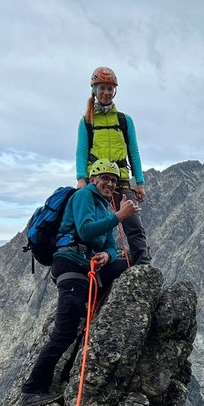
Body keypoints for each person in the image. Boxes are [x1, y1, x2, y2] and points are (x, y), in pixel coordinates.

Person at [19, 159, 139, 406]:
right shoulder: (83, 196)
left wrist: (107, 255)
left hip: (87, 265)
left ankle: (98, 306)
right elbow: (84, 231)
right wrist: (119, 216)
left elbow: (107, 243)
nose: (110, 183)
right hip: (70, 265)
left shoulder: (104, 208)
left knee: (132, 265)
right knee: (64, 332)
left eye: (114, 180)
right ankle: (31, 390)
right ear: (94, 178)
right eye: (105, 178)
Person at [77, 66, 151, 265]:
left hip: (121, 180)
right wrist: (81, 179)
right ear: (94, 90)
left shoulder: (124, 120)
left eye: (110, 89)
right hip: (96, 182)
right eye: (102, 88)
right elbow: (82, 152)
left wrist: (140, 182)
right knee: (92, 226)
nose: (106, 93)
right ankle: (92, 266)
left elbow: (133, 152)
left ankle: (142, 268)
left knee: (133, 224)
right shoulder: (87, 122)